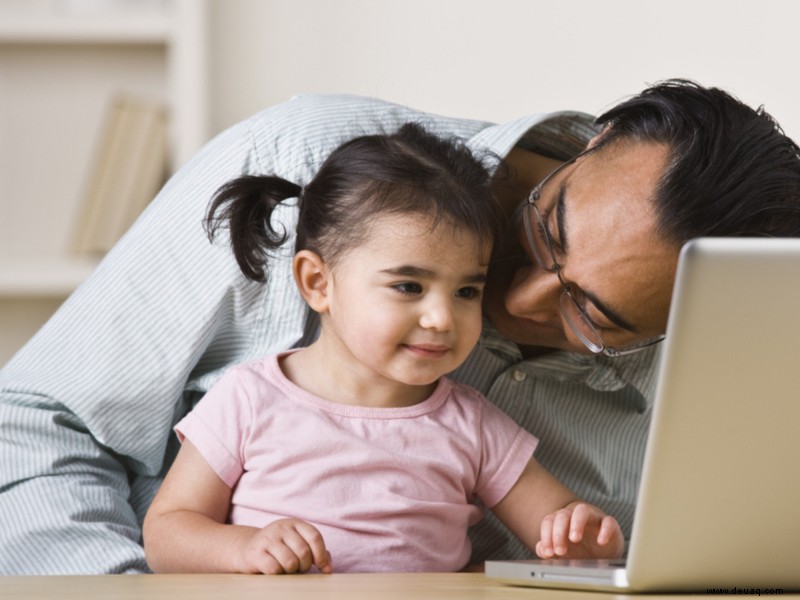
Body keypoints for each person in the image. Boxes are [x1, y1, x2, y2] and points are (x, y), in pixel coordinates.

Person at [1, 79, 799, 574]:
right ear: (596, 145)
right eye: (547, 228)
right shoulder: (303, 162)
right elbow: (35, 428)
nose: (519, 301)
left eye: (591, 315)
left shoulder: (733, 380)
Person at [142, 123, 624, 574]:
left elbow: (556, 520)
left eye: (466, 292)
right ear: (318, 282)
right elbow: (166, 532)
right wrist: (243, 547)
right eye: (409, 287)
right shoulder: (249, 398)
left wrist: (581, 537)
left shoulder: (472, 424)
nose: (442, 318)